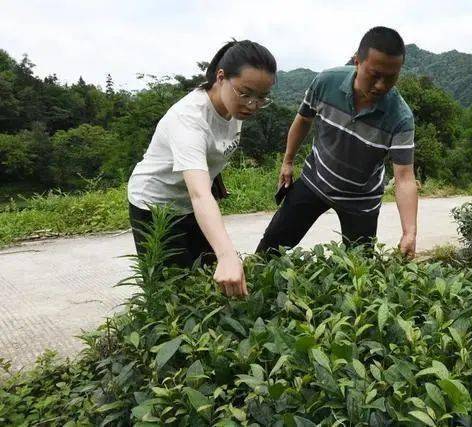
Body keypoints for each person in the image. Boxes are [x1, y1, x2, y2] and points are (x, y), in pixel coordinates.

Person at [128, 40, 276, 298]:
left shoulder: (234, 109)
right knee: (169, 291)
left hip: (192, 205)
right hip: (155, 205)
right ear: (221, 77)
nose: (252, 105)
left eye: (261, 98)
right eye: (246, 93)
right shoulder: (189, 119)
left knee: (207, 277)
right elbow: (199, 194)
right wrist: (228, 254)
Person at [256, 27, 418, 257]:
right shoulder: (326, 82)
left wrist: (409, 231)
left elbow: (404, 178)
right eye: (374, 74)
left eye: (391, 78)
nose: (381, 85)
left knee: (357, 271)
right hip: (315, 180)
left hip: (362, 200)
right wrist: (288, 161)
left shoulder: (400, 117)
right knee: (271, 248)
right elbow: (303, 119)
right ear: (357, 61)